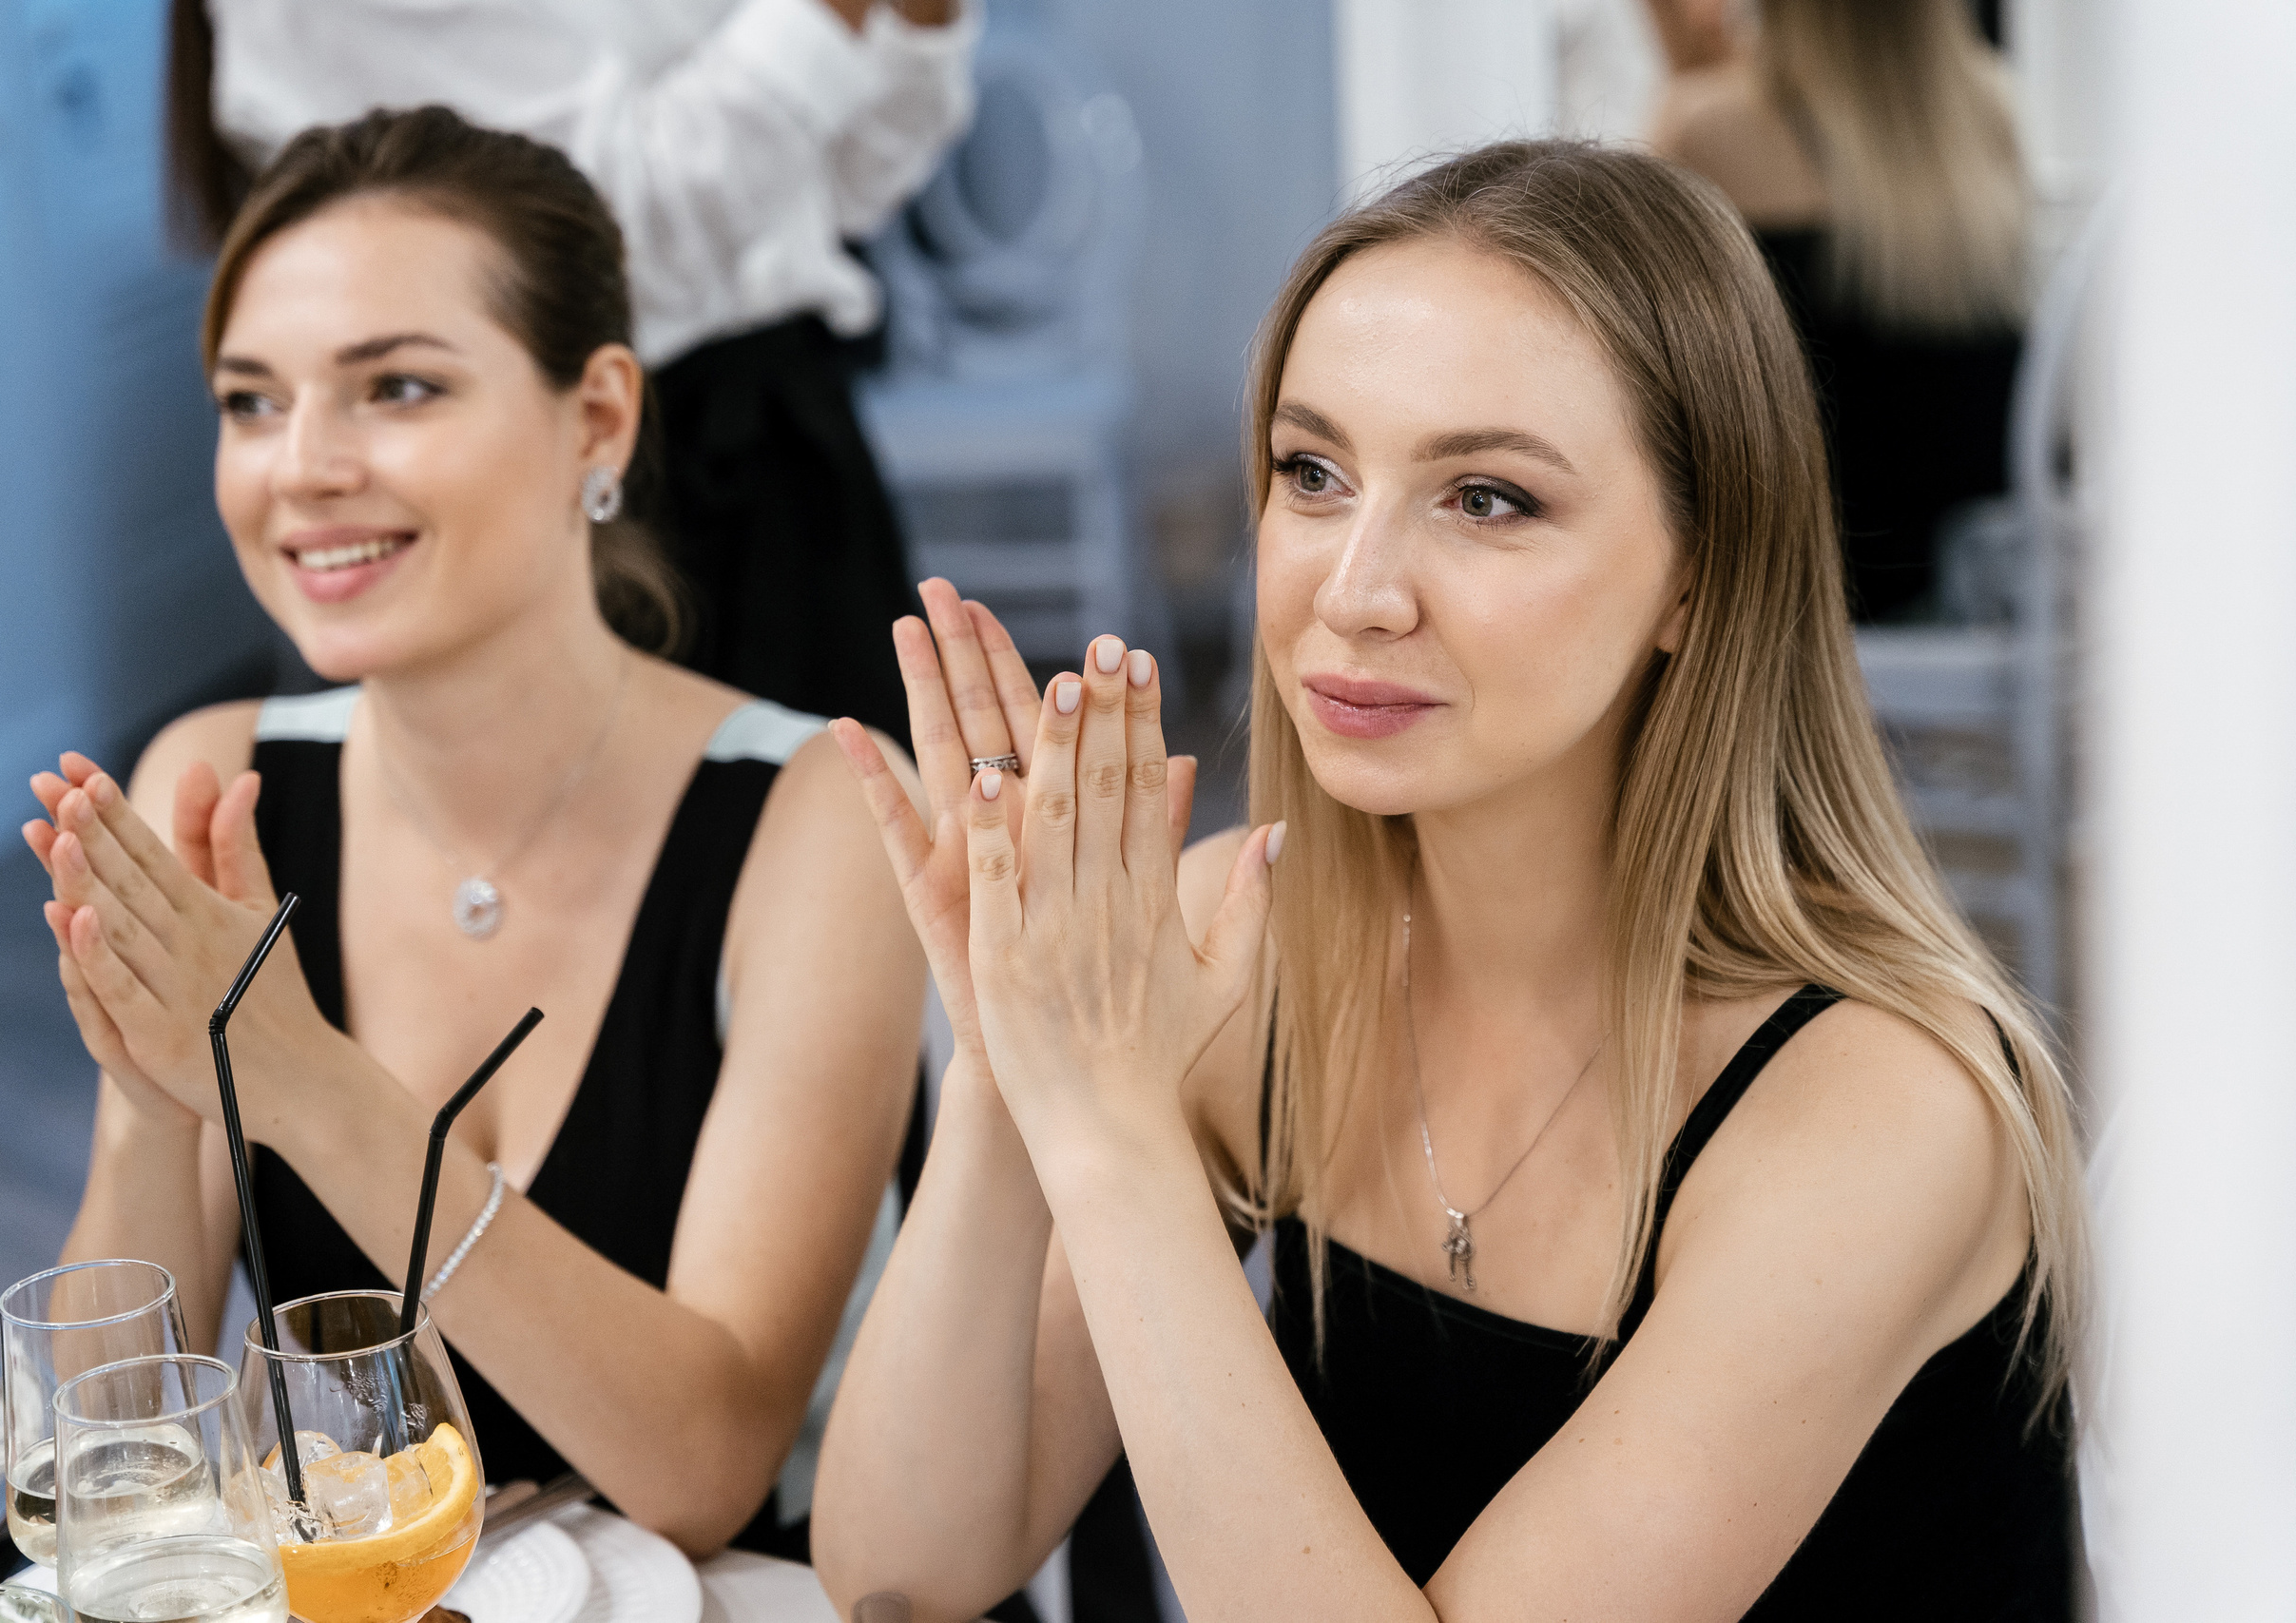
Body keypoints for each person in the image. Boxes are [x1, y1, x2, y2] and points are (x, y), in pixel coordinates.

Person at [811, 142, 2082, 1620]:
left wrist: (1110, 1133)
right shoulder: (1261, 941)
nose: (1354, 589)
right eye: (1313, 472)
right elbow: (900, 1569)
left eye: (1485, 497)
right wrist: (1007, 1067)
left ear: (1698, 571)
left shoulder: (1882, 1108)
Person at [22, 106, 925, 1558]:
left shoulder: (818, 813)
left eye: (397, 387)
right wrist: (153, 1090)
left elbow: (702, 1466)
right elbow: (113, 1442)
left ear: (599, 418)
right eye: (252, 401)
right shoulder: (211, 780)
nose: (301, 466)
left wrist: (297, 1074)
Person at [169, 0, 982, 744]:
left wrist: (908, 24)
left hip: (778, 448)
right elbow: (600, 245)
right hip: (565, 475)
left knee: (853, 835)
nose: (300, 470)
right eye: (251, 402)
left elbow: (833, 188)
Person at [1647, 0, 2030, 621]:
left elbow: (1657, 375)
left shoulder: (1710, 128)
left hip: (1788, 570)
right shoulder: (1994, 116)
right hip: (1960, 569)